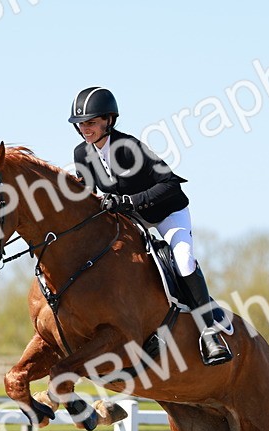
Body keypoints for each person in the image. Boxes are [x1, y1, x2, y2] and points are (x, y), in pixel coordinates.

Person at [67, 86, 232, 366]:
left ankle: (209, 331)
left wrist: (130, 201)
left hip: (166, 212)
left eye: (91, 122)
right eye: (81, 124)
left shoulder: (128, 147)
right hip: (131, 219)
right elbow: (89, 195)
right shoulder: (82, 154)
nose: (85, 129)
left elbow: (169, 185)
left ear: (109, 120)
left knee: (183, 262)